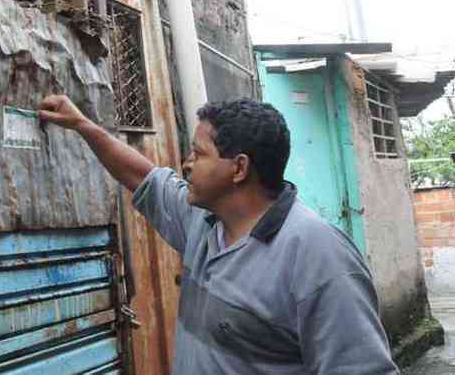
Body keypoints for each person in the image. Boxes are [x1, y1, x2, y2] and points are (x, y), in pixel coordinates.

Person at [37, 95, 399, 374]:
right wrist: (82, 124)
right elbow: (141, 176)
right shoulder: (204, 223)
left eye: (198, 153)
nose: (186, 163)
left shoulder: (318, 257)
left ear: (239, 167)